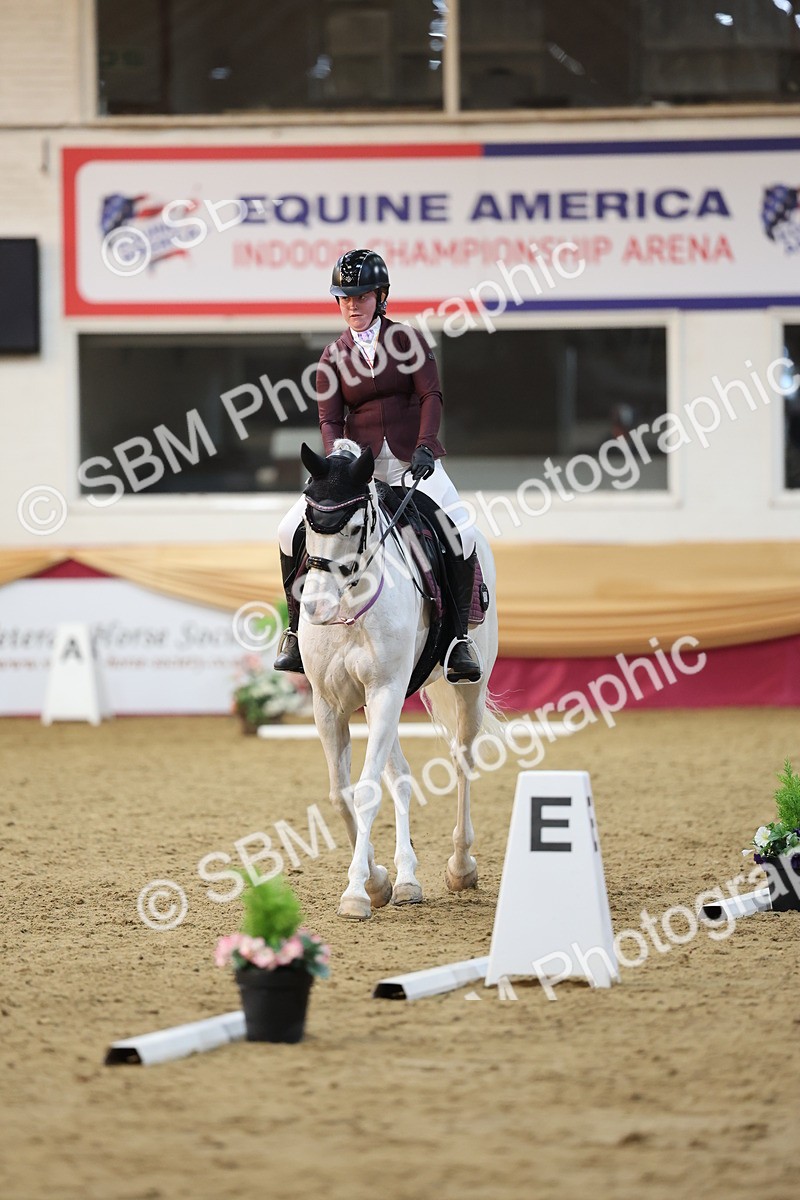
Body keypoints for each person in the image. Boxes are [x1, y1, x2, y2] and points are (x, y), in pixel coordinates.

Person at [274, 248, 481, 684]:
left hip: (412, 460)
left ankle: (460, 639)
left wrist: (426, 444)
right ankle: (295, 631)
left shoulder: (407, 340)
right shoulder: (332, 357)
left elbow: (430, 396)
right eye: (344, 297)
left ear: (381, 296)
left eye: (361, 296)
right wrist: (336, 464)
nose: (352, 304)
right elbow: (330, 419)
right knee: (287, 528)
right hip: (358, 467)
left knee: (461, 531)